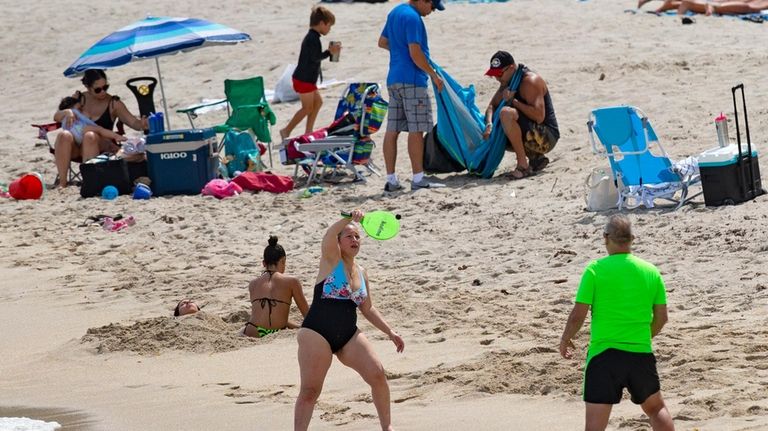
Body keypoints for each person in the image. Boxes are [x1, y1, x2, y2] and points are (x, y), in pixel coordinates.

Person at [559, 215, 675, 431]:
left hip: (604, 357)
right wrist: (643, 337)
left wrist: (566, 338)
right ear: (632, 238)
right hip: (640, 354)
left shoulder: (594, 270)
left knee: (595, 426)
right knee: (656, 408)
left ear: (605, 238)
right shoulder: (651, 271)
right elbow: (662, 318)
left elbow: (578, 315)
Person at [294, 210, 405, 431]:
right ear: (338, 242)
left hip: (348, 333)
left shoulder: (362, 272)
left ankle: (387, 427)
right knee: (310, 392)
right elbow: (328, 234)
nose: (354, 240)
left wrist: (390, 332)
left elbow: (367, 307)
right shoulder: (330, 260)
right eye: (349, 236)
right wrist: (349, 219)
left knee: (377, 374)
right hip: (317, 333)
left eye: (357, 237)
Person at [378, 0, 446, 192]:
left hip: (394, 79)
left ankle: (391, 180)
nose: (432, 11)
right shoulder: (413, 18)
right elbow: (415, 53)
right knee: (416, 130)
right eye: (432, 6)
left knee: (392, 130)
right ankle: (418, 177)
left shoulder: (395, 12)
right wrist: (433, 74)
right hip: (413, 80)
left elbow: (382, 42)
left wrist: (400, 50)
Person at [52, 69, 148, 188]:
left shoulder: (114, 103)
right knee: (63, 135)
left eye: (105, 87)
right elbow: (57, 116)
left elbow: (133, 122)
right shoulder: (79, 99)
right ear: (87, 87)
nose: (103, 92)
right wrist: (68, 112)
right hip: (76, 147)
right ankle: (63, 183)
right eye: (98, 89)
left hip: (101, 145)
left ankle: (90, 180)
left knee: (90, 135)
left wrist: (142, 125)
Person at [484, 51, 559, 179]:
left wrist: (513, 101)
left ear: (511, 68)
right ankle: (536, 159)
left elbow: (539, 116)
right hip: (531, 133)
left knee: (506, 113)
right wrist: (489, 125)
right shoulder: (508, 81)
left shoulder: (530, 81)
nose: (497, 78)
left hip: (547, 137)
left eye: (499, 74)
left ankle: (523, 166)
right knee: (496, 124)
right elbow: (491, 106)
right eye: (494, 75)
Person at [279, 6, 341, 140]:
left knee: (318, 103)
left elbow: (314, 57)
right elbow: (315, 57)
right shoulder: (312, 38)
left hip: (307, 79)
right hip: (303, 79)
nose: (329, 29)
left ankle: (308, 131)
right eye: (329, 26)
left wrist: (328, 52)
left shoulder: (314, 37)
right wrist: (329, 52)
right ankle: (286, 130)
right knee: (307, 108)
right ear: (321, 23)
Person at [243, 235, 309, 338]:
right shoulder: (292, 282)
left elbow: (269, 315)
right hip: (275, 332)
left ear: (264, 263)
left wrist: (296, 327)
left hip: (252, 331)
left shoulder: (253, 284)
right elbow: (307, 316)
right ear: (283, 261)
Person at [57, 95, 126, 146]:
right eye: (80, 108)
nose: (81, 110)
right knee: (100, 129)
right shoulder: (73, 112)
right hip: (79, 130)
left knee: (99, 132)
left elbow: (56, 116)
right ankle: (116, 136)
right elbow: (88, 117)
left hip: (73, 138)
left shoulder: (63, 117)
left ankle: (114, 140)